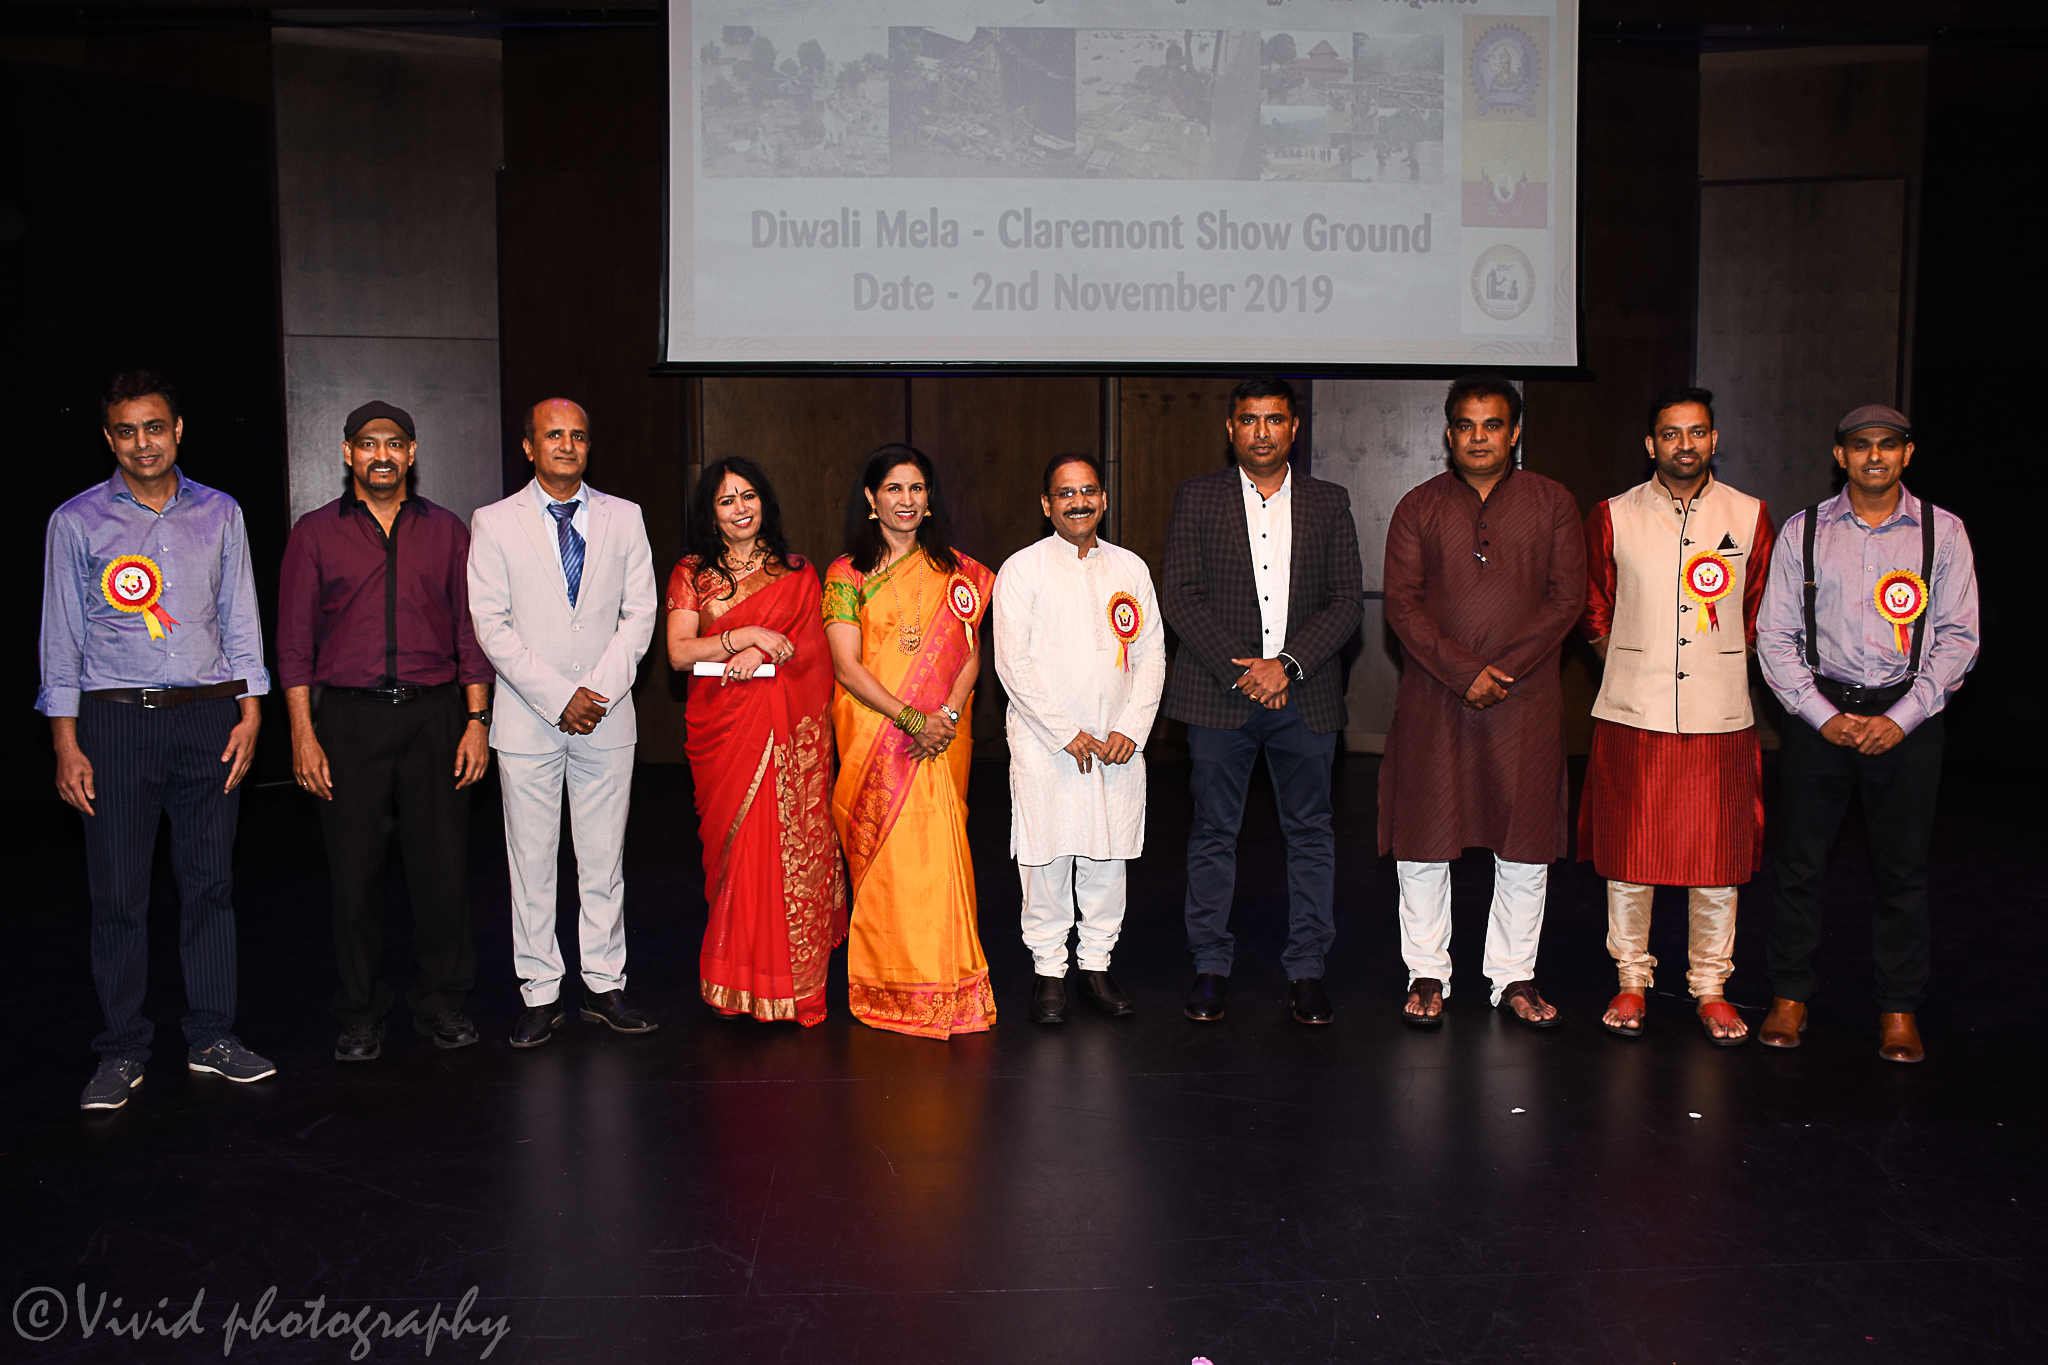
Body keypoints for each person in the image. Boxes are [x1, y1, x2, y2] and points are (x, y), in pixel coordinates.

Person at [40, 371, 275, 1110]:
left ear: (178, 430)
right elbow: (60, 640)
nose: (142, 442)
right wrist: (66, 741)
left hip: (209, 719)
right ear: (109, 438)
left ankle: (212, 1037)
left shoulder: (222, 512)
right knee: (118, 894)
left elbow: (240, 618)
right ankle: (122, 1049)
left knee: (210, 884)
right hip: (114, 723)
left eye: (154, 427)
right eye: (126, 430)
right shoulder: (76, 522)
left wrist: (251, 711)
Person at [1755, 404, 1979, 1064]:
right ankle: (1789, 996)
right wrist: (1822, 715)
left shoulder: (1943, 532)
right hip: (1819, 716)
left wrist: (1900, 718)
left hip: (1908, 720)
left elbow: (1959, 637)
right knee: (1799, 867)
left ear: (1907, 453)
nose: (1874, 456)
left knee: (1902, 872)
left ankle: (1898, 1008)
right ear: (1840, 455)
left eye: (1887, 444)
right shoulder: (1804, 531)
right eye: (1860, 445)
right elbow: (1774, 634)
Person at [278, 400, 494, 1062]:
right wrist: (303, 734)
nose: (382, 454)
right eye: (368, 443)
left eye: (394, 443)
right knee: (354, 877)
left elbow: (471, 634)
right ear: (348, 453)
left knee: (442, 871)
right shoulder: (315, 533)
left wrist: (477, 722)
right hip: (349, 720)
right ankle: (360, 1010)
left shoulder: (448, 531)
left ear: (412, 452)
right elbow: (293, 643)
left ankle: (443, 1001)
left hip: (436, 717)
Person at [1380, 374, 1584, 1029]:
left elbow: (1566, 599)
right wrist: (1464, 672)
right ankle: (1426, 970)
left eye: (1492, 425)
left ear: (1514, 432)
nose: (1478, 438)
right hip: (1434, 696)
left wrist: (1503, 670)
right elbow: (1402, 604)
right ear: (1448, 434)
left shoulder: (1553, 502)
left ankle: (1513, 974)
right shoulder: (1418, 505)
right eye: (1465, 426)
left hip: (1525, 699)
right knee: (1423, 839)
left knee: (1524, 840)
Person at [1160, 376, 1364, 1026]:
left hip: (1306, 695)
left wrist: (1287, 666)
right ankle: (1210, 967)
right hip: (1220, 697)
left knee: (1310, 834)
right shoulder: (1197, 497)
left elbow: (1346, 601)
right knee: (1212, 832)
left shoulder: (1329, 501)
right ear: (1230, 428)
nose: (1262, 432)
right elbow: (1180, 595)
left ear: (1294, 428)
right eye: (1249, 420)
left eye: (1274, 419)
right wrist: (1247, 672)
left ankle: (1307, 970)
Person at [1580, 387, 1775, 1045]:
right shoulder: (1614, 514)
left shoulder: (1749, 514)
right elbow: (1594, 603)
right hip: (1634, 709)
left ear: (1714, 439)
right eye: (1671, 433)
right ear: (1651, 444)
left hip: (1720, 712)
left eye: (1696, 432)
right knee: (1630, 856)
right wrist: (1629, 660)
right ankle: (1631, 978)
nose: (1684, 445)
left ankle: (1711, 987)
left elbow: (1759, 609)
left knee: (1717, 859)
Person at [468, 398, 659, 1048]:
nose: (567, 445)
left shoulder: (625, 517)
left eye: (578, 435)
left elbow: (640, 614)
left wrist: (594, 693)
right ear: (529, 446)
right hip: (528, 720)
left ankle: (604, 984)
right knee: (532, 862)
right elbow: (491, 624)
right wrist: (559, 697)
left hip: (607, 716)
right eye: (554, 435)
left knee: (603, 861)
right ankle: (540, 991)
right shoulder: (494, 522)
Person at [824, 445, 997, 1039]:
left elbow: (970, 655)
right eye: (893, 488)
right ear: (871, 499)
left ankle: (950, 986)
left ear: (929, 499)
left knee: (941, 859)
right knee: (889, 867)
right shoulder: (846, 573)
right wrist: (912, 720)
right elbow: (846, 667)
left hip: (942, 737)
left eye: (917, 488)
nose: (906, 499)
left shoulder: (958, 572)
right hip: (878, 739)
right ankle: (889, 987)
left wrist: (943, 715)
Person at [665, 458, 846, 1025]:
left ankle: (791, 986)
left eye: (748, 496)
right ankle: (736, 982)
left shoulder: (796, 572)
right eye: (726, 500)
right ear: (710, 513)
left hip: (783, 730)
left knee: (779, 855)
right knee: (737, 857)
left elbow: (813, 654)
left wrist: (766, 651)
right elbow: (678, 653)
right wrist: (743, 636)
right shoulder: (692, 573)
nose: (740, 509)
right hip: (723, 733)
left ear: (764, 502)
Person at [992, 453, 1166, 1024]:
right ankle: (1048, 970)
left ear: (1104, 499)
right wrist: (1065, 733)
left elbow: (1151, 655)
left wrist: (1130, 729)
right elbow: (1011, 663)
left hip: (1115, 745)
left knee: (1107, 856)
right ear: (1046, 505)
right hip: (1047, 744)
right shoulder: (1022, 569)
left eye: (1088, 490)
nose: (1079, 502)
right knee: (1045, 856)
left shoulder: (1130, 568)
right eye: (1065, 494)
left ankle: (1096, 963)